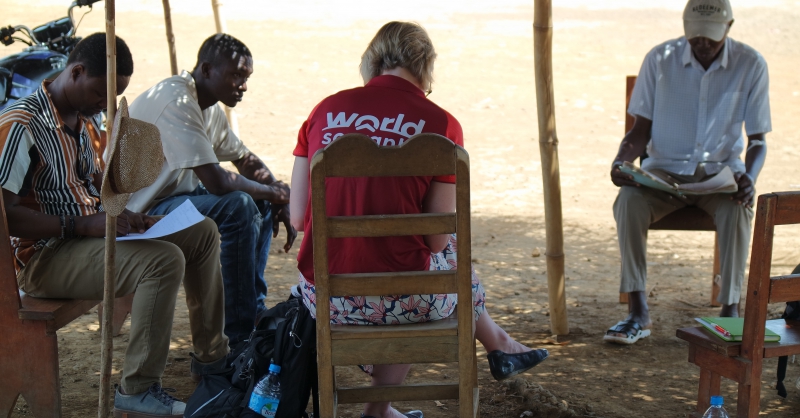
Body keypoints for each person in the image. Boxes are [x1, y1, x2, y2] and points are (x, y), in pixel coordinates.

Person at [290, 22, 549, 418]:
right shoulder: (442, 125)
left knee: (419, 264)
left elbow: (296, 218)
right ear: (425, 67)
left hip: (328, 300)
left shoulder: (323, 111)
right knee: (449, 259)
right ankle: (495, 345)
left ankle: (493, 347)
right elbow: (436, 240)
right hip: (408, 300)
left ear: (372, 60)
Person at [0, 33, 228, 417]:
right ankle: (137, 389)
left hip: (85, 237)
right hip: (43, 258)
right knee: (163, 261)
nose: (104, 103)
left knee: (202, 231)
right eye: (100, 91)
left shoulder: (86, 122)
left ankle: (212, 360)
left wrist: (128, 219)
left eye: (113, 94)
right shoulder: (22, 124)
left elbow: (94, 192)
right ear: (76, 71)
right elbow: (4, 216)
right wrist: (80, 225)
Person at [606, 0, 770, 345]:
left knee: (739, 209)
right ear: (684, 28)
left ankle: (729, 312)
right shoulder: (660, 59)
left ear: (729, 26)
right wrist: (622, 160)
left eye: (710, 39)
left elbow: (757, 140)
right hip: (662, 177)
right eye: (696, 39)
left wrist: (749, 178)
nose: (703, 45)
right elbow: (640, 130)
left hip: (719, 179)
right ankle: (638, 311)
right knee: (628, 203)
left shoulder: (750, 64)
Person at [126, 34, 294, 346]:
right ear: (206, 70)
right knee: (241, 205)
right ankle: (240, 335)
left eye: (246, 77)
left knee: (257, 201)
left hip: (175, 200)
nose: (243, 85)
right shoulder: (177, 102)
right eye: (236, 75)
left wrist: (275, 193)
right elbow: (218, 182)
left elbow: (243, 158)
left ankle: (252, 311)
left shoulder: (207, 104)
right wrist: (274, 193)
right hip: (140, 214)